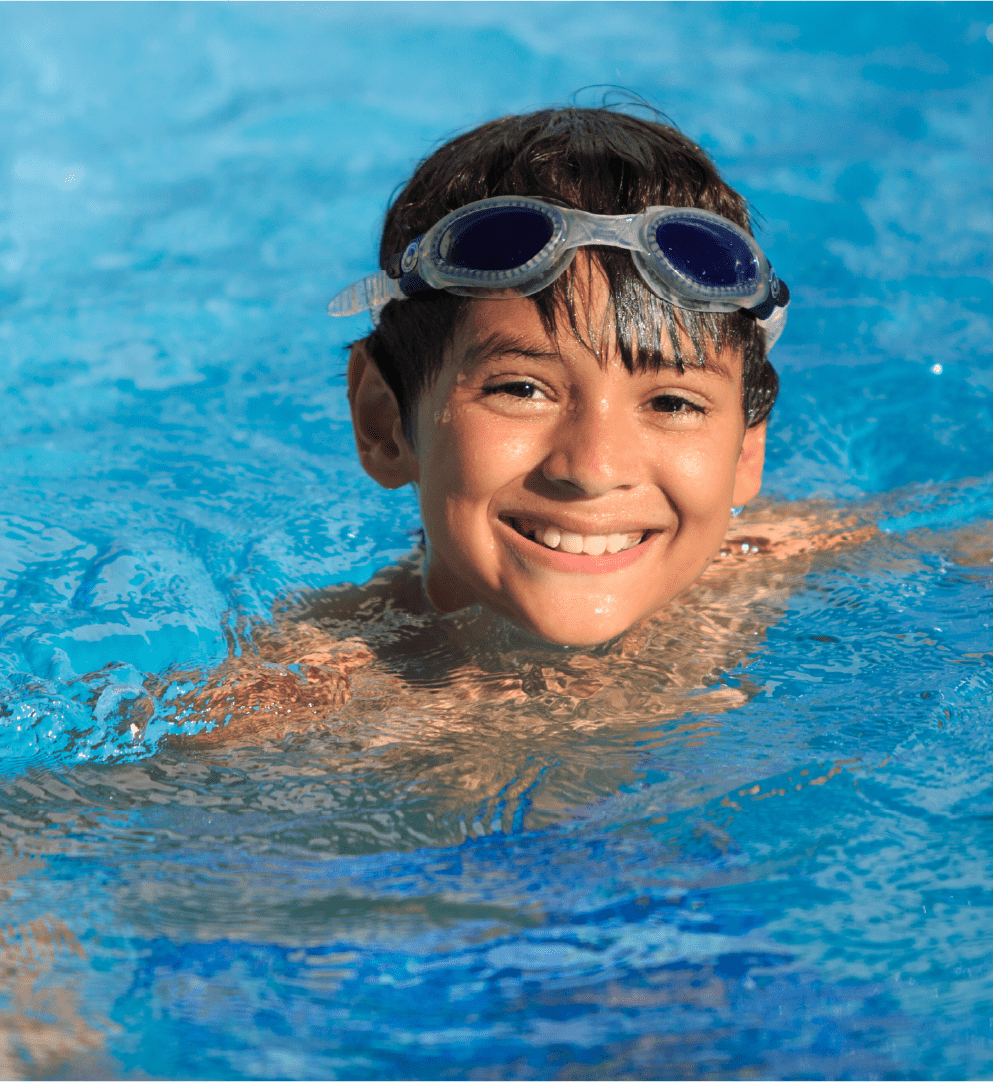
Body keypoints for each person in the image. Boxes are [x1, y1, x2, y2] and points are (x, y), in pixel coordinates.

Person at [136, 105, 869, 753]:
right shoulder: (294, 711)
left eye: (673, 403)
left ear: (746, 450)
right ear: (384, 422)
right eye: (521, 389)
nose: (594, 467)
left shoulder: (772, 567)